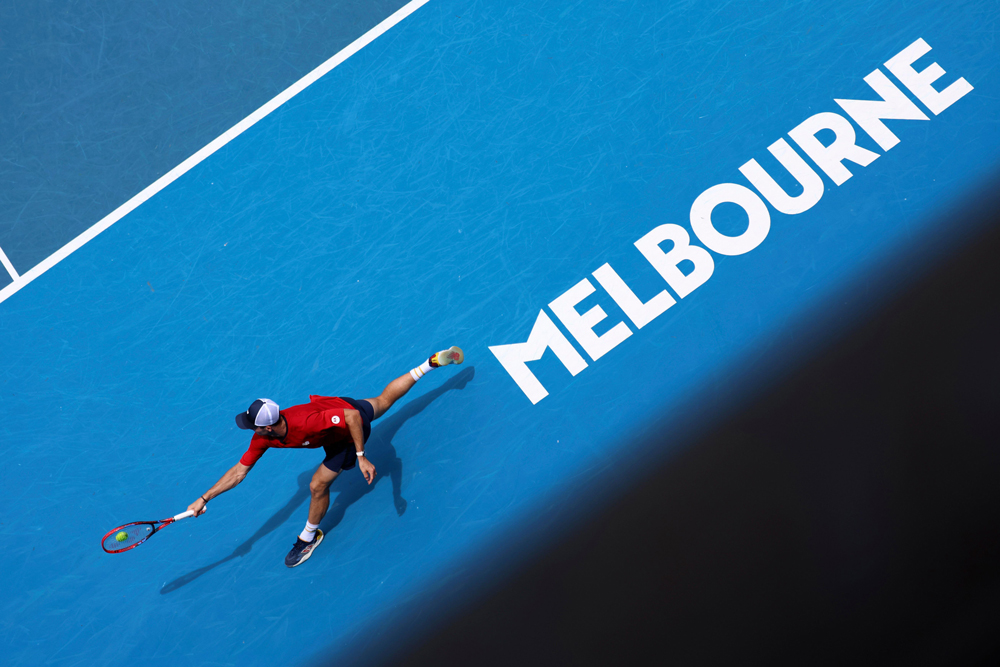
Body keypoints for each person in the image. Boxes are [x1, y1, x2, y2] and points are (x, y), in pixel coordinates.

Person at [186, 346, 464, 567]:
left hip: (345, 430)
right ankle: (432, 363)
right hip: (335, 408)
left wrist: (361, 456)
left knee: (318, 485)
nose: (250, 429)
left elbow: (352, 417)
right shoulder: (263, 438)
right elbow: (239, 471)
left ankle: (308, 537)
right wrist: (204, 498)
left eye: (254, 425)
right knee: (383, 402)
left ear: (268, 426)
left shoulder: (306, 424)